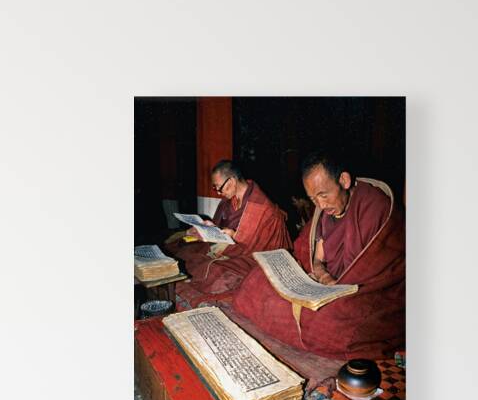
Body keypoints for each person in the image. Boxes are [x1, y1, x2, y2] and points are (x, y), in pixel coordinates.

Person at [232, 151, 404, 358]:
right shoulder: (325, 212)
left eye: (324, 195)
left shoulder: (374, 205)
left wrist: (334, 287)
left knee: (333, 322)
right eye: (314, 199)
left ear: (344, 180)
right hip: (325, 286)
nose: (321, 206)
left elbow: (377, 271)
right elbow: (317, 259)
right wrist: (322, 276)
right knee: (256, 280)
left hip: (361, 293)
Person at [168, 160, 291, 301]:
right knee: (186, 252)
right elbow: (223, 227)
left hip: (253, 254)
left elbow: (259, 244)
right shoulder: (229, 199)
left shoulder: (260, 205)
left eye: (219, 187)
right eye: (215, 188)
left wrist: (234, 235)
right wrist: (210, 228)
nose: (218, 192)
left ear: (231, 181)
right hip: (229, 247)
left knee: (217, 272)